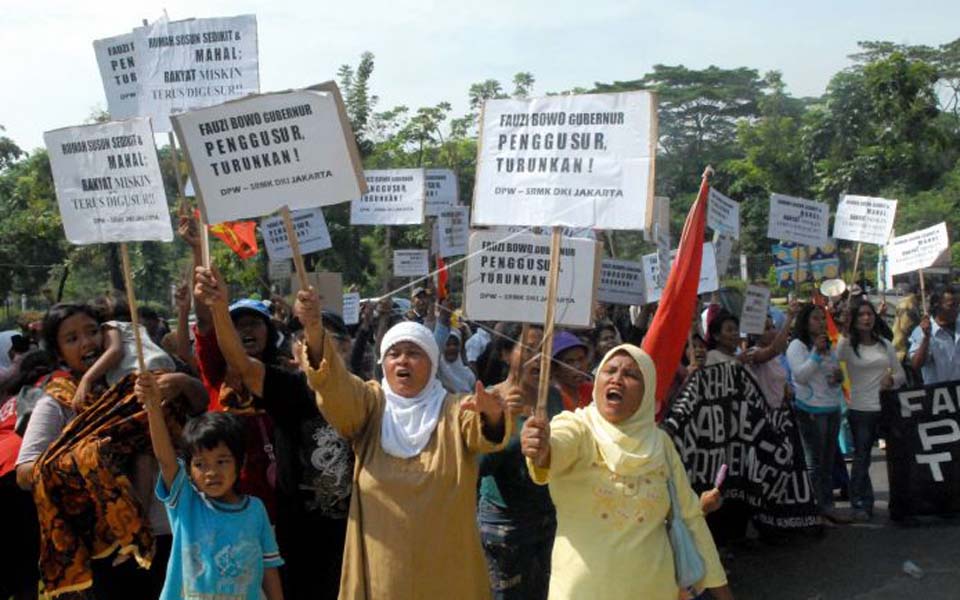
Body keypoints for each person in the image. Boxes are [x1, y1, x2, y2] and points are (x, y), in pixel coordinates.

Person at [295, 286, 510, 600]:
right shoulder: (370, 405)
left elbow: (483, 433)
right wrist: (314, 332)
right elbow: (337, 388)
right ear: (383, 362)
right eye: (394, 353)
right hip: (382, 573)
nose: (402, 361)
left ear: (433, 362)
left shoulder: (455, 409)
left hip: (446, 573)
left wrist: (491, 416)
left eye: (414, 353)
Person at [15, 303, 205, 599]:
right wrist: (87, 456)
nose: (87, 342)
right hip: (112, 547)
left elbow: (200, 406)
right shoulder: (58, 401)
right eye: (72, 338)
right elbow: (26, 472)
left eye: (92, 332)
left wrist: (180, 382)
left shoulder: (135, 381)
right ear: (58, 352)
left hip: (175, 529)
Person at [520, 344, 732, 599]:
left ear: (647, 391)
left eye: (630, 375)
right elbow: (555, 448)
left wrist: (722, 592)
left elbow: (691, 519)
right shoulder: (577, 426)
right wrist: (542, 447)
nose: (617, 379)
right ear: (597, 380)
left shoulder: (660, 443)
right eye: (609, 370)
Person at [194, 266, 352, 600]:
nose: (316, 348)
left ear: (348, 348)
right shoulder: (288, 388)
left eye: (328, 340)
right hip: (297, 533)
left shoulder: (367, 395)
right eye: (305, 340)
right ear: (295, 351)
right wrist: (219, 308)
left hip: (354, 532)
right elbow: (236, 359)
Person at [138, 374, 284, 599]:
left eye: (222, 461)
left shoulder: (256, 510)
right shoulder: (186, 503)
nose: (211, 472)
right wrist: (153, 407)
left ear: (240, 462)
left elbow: (269, 569)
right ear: (188, 470)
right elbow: (165, 459)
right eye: (200, 464)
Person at [477, 324, 562, 600]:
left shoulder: (554, 397)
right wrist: (505, 426)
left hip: (549, 521)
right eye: (530, 349)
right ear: (505, 353)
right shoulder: (490, 399)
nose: (540, 358)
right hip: (505, 529)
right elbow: (477, 466)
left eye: (545, 350)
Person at [837, 297, 905, 521]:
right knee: (862, 457)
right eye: (862, 315)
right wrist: (844, 333)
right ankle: (861, 503)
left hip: (885, 407)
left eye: (870, 314)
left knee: (897, 456)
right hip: (860, 408)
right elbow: (834, 363)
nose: (867, 318)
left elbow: (900, 373)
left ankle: (901, 501)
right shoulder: (847, 345)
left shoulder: (884, 344)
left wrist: (891, 380)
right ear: (855, 320)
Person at [786, 304, 849, 524]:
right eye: (815, 318)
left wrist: (837, 377)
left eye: (823, 318)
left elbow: (830, 375)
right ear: (805, 321)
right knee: (814, 463)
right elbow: (801, 376)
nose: (821, 322)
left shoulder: (827, 345)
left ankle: (826, 506)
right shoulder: (797, 346)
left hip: (831, 408)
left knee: (828, 461)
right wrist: (815, 354)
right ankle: (812, 509)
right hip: (811, 411)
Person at [72, 296, 176, 408]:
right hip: (161, 366)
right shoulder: (135, 327)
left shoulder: (110, 326)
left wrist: (87, 379)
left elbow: (115, 350)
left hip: (140, 372)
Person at [909, 285, 960, 385]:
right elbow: (916, 365)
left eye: (958, 305)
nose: (957, 309)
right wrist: (926, 339)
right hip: (938, 395)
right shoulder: (922, 331)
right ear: (937, 306)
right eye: (952, 305)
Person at [435, 308, 477, 394]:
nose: (452, 348)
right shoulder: (437, 373)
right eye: (448, 344)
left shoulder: (469, 375)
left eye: (455, 344)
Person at [551, 331, 593, 411]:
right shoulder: (550, 398)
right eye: (569, 361)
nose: (578, 366)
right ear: (555, 368)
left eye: (581, 359)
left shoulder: (593, 391)